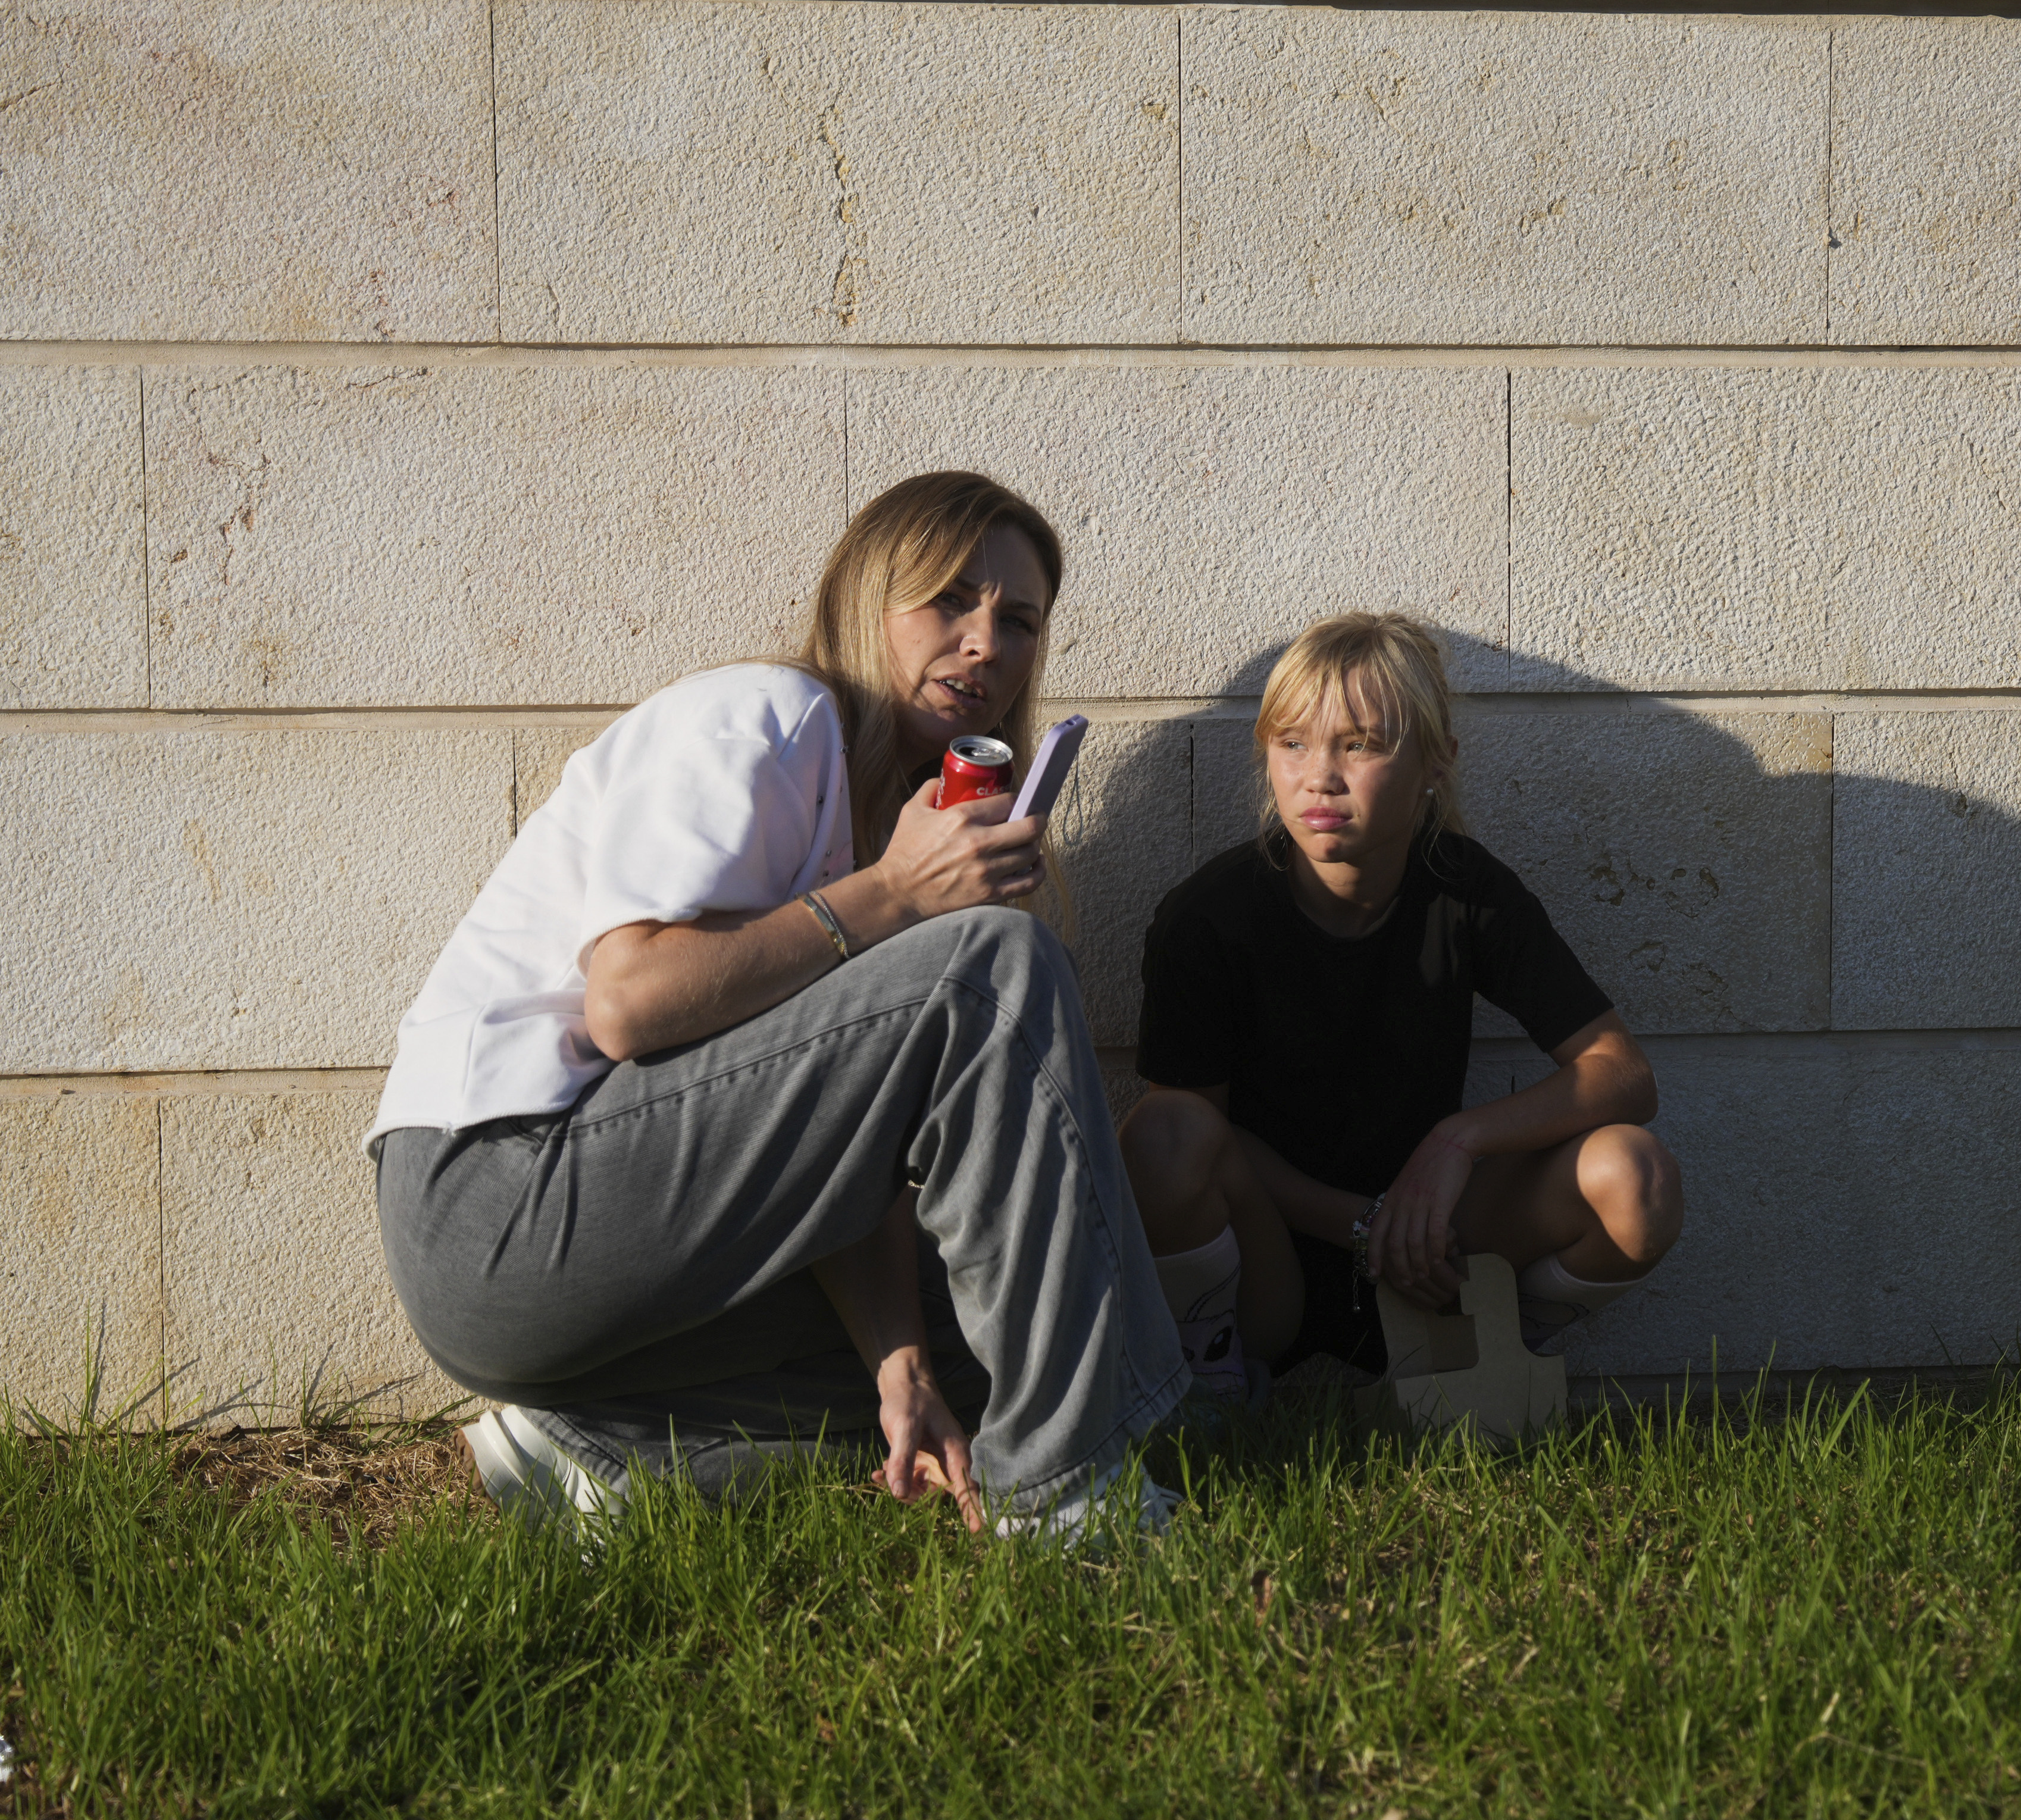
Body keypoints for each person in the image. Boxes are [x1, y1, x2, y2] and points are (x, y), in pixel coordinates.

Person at [370, 471, 1190, 1536]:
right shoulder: (766, 716)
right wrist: (894, 895)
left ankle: (597, 1452)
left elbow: (811, 1149)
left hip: (606, 1241)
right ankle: (1067, 1495)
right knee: (996, 959)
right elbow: (628, 998)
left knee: (999, 1332)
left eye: (1019, 619)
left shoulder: (869, 819)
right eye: (949, 599)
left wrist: (900, 1364)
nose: (986, 642)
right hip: (497, 1195)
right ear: (866, 600)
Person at [1119, 612, 1684, 1391]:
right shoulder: (1209, 917)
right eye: (1293, 742)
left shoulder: (1467, 891)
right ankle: (1216, 1386)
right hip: (1265, 1255)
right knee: (1161, 1132)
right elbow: (1190, 1134)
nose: (1320, 775)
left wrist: (1456, 1144)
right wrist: (1361, 1221)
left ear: (1435, 763)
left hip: (1434, 1247)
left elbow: (1623, 1073)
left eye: (1360, 743)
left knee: (1635, 1174)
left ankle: (1486, 1356)